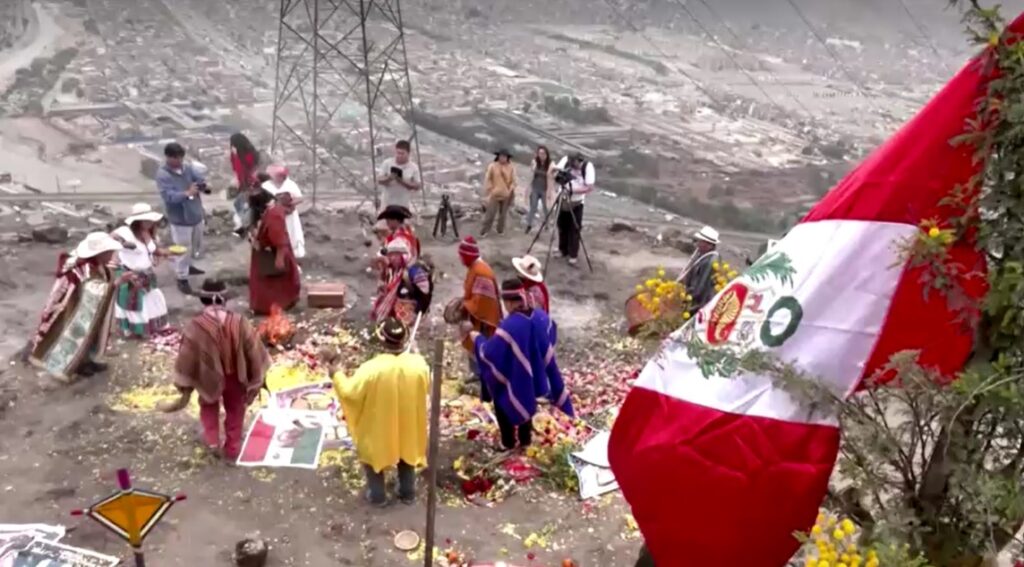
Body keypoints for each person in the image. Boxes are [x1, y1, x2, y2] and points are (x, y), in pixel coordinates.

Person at [161, 279, 270, 461]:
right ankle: (232, 448)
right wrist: (257, 377)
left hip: (206, 377)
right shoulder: (240, 322)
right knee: (236, 410)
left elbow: (186, 357)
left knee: (208, 406)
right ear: (224, 300)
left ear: (203, 300)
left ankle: (212, 442)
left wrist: (185, 385)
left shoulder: (195, 327)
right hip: (237, 376)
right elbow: (254, 351)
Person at [462, 279, 573, 450]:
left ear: (508, 302)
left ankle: (508, 442)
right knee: (526, 395)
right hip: (535, 373)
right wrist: (534, 356)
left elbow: (489, 353)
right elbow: (551, 333)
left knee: (502, 394)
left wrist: (477, 339)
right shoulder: (541, 317)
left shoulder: (509, 326)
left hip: (517, 374)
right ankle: (525, 439)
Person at [332, 318, 430, 506]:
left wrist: (336, 374)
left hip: (381, 424)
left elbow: (349, 393)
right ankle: (407, 493)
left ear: (381, 341)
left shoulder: (371, 369)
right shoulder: (419, 365)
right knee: (406, 452)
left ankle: (378, 496)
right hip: (408, 422)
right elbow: (427, 384)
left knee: (373, 453)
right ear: (404, 341)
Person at [29, 232, 134, 381]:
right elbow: (95, 289)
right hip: (72, 307)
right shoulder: (85, 268)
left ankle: (86, 361)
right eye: (109, 252)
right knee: (71, 333)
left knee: (90, 333)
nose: (112, 255)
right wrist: (117, 283)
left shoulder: (95, 264)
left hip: (81, 305)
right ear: (100, 253)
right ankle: (71, 365)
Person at [110, 203, 172, 338]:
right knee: (134, 305)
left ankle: (154, 327)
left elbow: (154, 250)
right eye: (145, 220)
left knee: (153, 299)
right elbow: (110, 237)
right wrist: (122, 242)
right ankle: (134, 331)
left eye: (150, 219)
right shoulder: (125, 232)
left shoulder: (150, 233)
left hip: (147, 273)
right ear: (137, 221)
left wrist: (168, 253)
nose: (149, 222)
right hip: (131, 274)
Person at [156, 142, 208, 294]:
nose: (179, 162)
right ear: (168, 157)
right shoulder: (163, 175)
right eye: (176, 159)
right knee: (182, 249)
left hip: (195, 213)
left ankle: (188, 267)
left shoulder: (187, 168)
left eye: (181, 158)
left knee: (194, 244)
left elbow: (198, 178)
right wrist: (187, 193)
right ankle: (181, 278)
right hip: (180, 218)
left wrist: (202, 185)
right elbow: (168, 196)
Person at [249, 188, 301, 315]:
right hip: (268, 250)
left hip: (272, 253)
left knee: (273, 283)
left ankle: (272, 306)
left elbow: (279, 239)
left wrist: (279, 258)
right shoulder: (274, 210)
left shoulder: (274, 215)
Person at [371, 239, 433, 325]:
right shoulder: (396, 271)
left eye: (393, 255)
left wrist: (418, 312)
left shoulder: (414, 270)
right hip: (401, 313)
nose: (390, 259)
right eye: (389, 256)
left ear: (401, 255)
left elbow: (426, 294)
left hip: (412, 313)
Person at [458, 236, 501, 356]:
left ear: (467, 256)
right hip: (479, 319)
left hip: (484, 322)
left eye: (461, 256)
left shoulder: (481, 272)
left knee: (481, 352)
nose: (460, 259)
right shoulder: (475, 268)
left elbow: (481, 303)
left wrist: (464, 305)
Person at [552, 151, 595, 266]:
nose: (572, 165)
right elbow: (556, 172)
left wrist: (573, 190)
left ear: (579, 161)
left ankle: (573, 254)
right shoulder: (566, 161)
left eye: (574, 162)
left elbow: (589, 187)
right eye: (571, 162)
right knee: (562, 226)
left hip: (577, 201)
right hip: (563, 198)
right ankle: (562, 250)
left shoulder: (587, 167)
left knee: (574, 228)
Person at [262, 164, 306, 259]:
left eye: (281, 175)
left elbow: (300, 198)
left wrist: (288, 203)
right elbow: (260, 202)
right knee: (275, 236)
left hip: (289, 216)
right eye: (277, 175)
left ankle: (294, 259)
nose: (280, 177)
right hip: (273, 218)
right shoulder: (265, 186)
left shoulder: (290, 184)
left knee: (291, 234)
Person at [675, 225, 720, 311]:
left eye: (700, 241)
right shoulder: (702, 256)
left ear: (709, 245)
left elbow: (700, 288)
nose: (697, 244)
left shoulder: (709, 262)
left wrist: (685, 297)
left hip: (699, 305)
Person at [229, 133, 261, 237]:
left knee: (244, 205)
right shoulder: (236, 154)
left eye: (233, 144)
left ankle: (249, 228)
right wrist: (234, 156)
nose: (231, 146)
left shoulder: (249, 154)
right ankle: (247, 227)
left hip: (250, 183)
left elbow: (249, 167)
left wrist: (236, 156)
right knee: (241, 205)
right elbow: (235, 168)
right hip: (242, 183)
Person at [481, 148, 518, 236]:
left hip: (506, 194)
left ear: (507, 158)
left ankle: (500, 230)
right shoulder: (493, 166)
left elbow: (514, 181)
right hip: (495, 193)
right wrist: (490, 189)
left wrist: (510, 190)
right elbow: (488, 178)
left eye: (504, 157)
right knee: (490, 213)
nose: (503, 158)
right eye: (501, 156)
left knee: (503, 215)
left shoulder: (511, 167)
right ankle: (485, 231)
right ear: (498, 156)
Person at [377, 140, 421, 211]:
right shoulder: (387, 163)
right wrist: (389, 178)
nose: (399, 156)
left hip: (403, 205)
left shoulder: (413, 167)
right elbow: (379, 180)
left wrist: (402, 181)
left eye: (402, 154)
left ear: (408, 153)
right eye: (398, 153)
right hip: (386, 204)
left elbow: (417, 186)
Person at [525, 145, 554, 233]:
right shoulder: (535, 162)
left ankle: (547, 225)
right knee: (533, 207)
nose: (541, 155)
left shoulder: (550, 164)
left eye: (543, 153)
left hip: (545, 189)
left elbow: (552, 175)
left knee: (546, 208)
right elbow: (531, 173)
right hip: (535, 188)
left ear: (547, 154)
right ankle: (529, 225)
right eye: (540, 153)